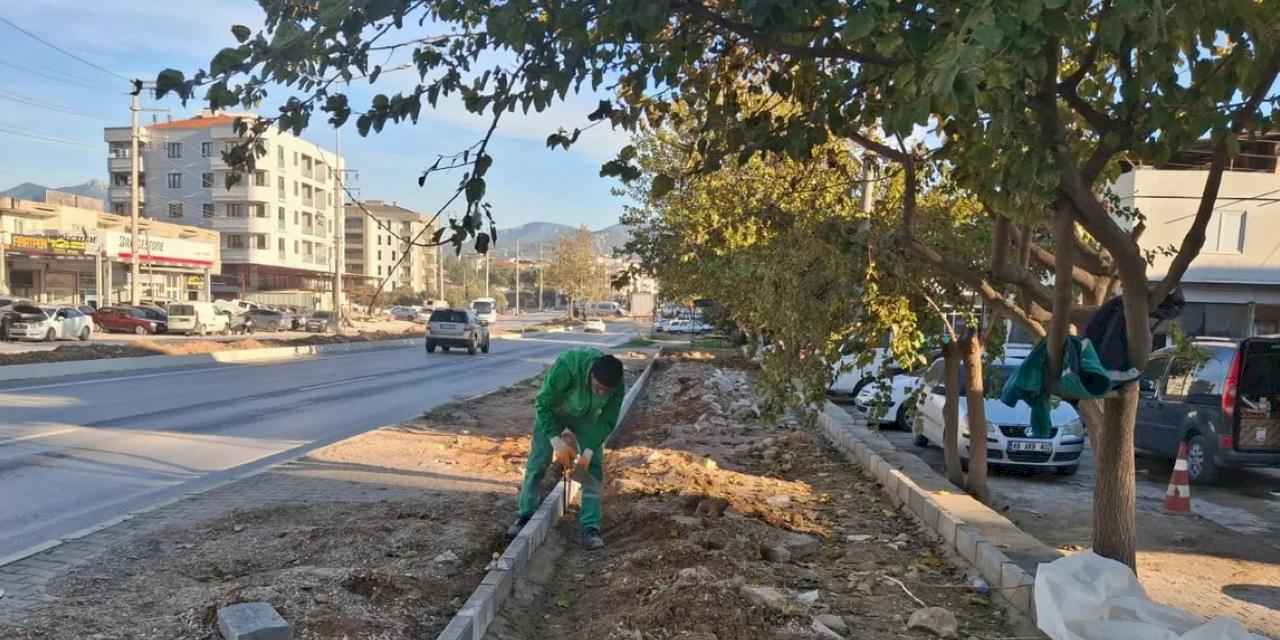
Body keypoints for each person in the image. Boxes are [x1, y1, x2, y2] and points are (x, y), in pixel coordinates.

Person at [508, 348, 625, 549]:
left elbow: (607, 420)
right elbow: (543, 404)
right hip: (554, 411)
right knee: (539, 460)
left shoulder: (617, 385)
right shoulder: (567, 367)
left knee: (592, 467)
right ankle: (525, 515)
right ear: (590, 376)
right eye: (598, 388)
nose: (601, 393)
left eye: (606, 391)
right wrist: (555, 440)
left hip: (586, 417)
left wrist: (587, 452)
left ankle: (590, 527)